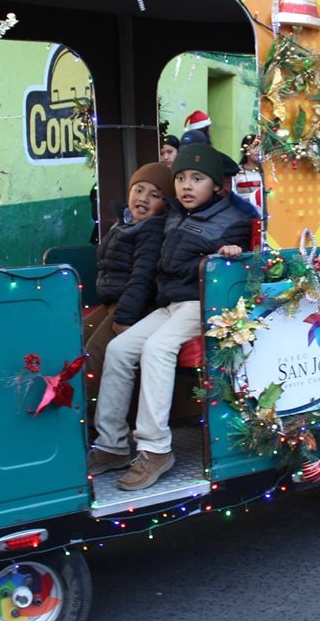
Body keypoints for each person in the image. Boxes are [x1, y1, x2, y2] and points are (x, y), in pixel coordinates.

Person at [88, 143, 252, 491]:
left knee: (157, 348)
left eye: (197, 179)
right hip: (169, 303)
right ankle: (112, 443)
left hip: (200, 303)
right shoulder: (174, 214)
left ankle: (156, 448)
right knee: (118, 350)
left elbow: (236, 258)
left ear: (217, 187)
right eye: (180, 179)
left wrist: (228, 253)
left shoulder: (233, 221)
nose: (187, 186)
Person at [83, 163, 173, 394]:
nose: (143, 199)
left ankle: (88, 421)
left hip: (131, 305)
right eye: (139, 190)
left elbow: (142, 277)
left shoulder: (151, 230)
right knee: (75, 337)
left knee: (95, 352)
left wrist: (125, 317)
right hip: (113, 301)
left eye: (154, 195)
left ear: (164, 204)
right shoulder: (124, 224)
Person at [231, 134, 263, 215]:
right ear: (245, 151)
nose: (258, 150)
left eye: (261, 147)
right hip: (243, 214)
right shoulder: (236, 172)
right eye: (254, 147)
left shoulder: (269, 172)